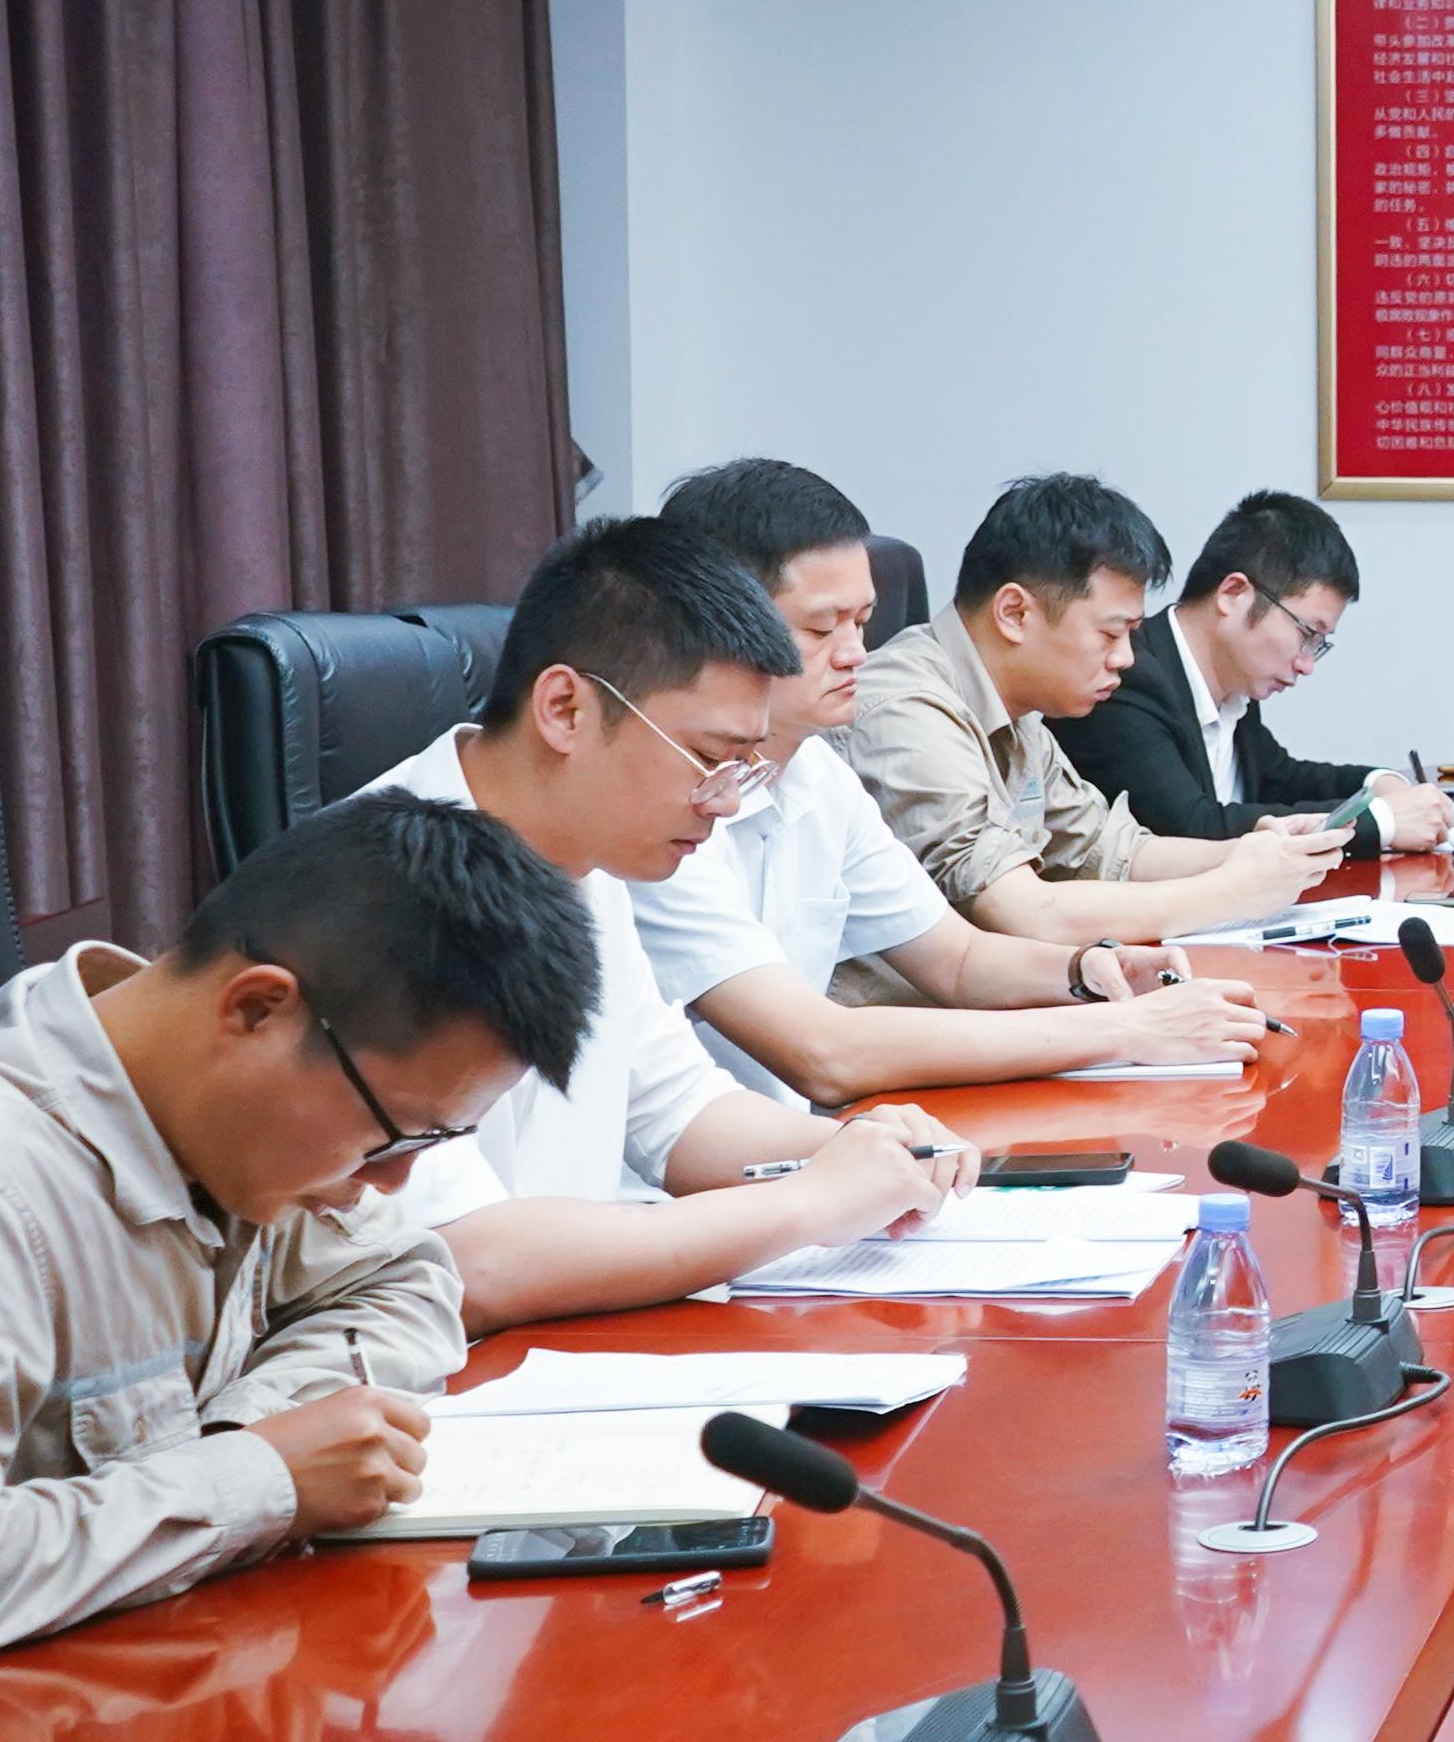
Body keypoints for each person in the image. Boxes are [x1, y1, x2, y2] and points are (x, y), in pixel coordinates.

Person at [0, 793, 601, 1742]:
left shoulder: (221, 1124)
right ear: (257, 1007)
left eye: (433, 1142)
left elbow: (406, 1277)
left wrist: (258, 1428)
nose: (391, 1181)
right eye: (394, 1133)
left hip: (125, 1714)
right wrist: (255, 1477)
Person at [374, 518, 983, 1332]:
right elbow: (465, 1261)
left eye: (742, 764)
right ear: (565, 709)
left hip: (574, 1336)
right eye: (708, 758)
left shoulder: (583, 854)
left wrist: (853, 1149)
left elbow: (678, 1110)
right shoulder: (385, 891)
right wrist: (808, 1202)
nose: (726, 801)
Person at [643, 459, 1283, 1100]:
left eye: (861, 622)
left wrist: (1089, 969)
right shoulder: (658, 813)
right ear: (718, 625)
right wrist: (1128, 1027)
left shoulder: (817, 773)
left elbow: (959, 958)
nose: (856, 653)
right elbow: (822, 1052)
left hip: (818, 1127)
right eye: (820, 628)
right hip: (792, 1123)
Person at [851, 475, 1335, 946]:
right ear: (1014, 613)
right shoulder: (907, 712)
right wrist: (1231, 891)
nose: (1126, 658)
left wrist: (1248, 852)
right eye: (1110, 634)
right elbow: (1026, 913)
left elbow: (1113, 850)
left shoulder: (1019, 717)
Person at [1061, 486, 1448, 854]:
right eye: (1307, 634)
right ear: (1233, 594)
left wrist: (1377, 784)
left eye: (1319, 644)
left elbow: (1279, 778)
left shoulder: (1233, 685)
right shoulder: (1126, 677)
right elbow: (1190, 827)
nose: (1306, 664)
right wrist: (1380, 821)